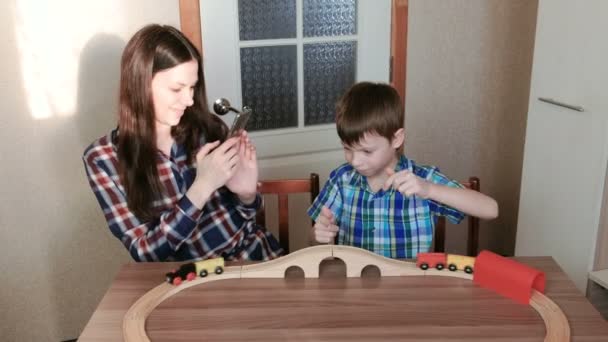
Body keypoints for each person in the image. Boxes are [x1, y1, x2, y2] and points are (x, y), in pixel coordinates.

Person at [83, 24, 282, 262]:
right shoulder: (103, 159)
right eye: (177, 88)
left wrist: (248, 194)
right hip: (191, 282)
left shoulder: (208, 128)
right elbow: (146, 253)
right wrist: (203, 185)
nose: (189, 100)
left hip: (254, 257)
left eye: (192, 87)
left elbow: (245, 217)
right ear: (140, 84)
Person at [308, 82, 498, 259]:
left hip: (409, 286)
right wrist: (320, 234)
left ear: (396, 139)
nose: (355, 161)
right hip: (354, 284)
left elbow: (491, 209)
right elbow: (313, 242)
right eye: (347, 148)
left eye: (367, 151)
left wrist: (429, 190)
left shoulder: (422, 179)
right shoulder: (342, 179)